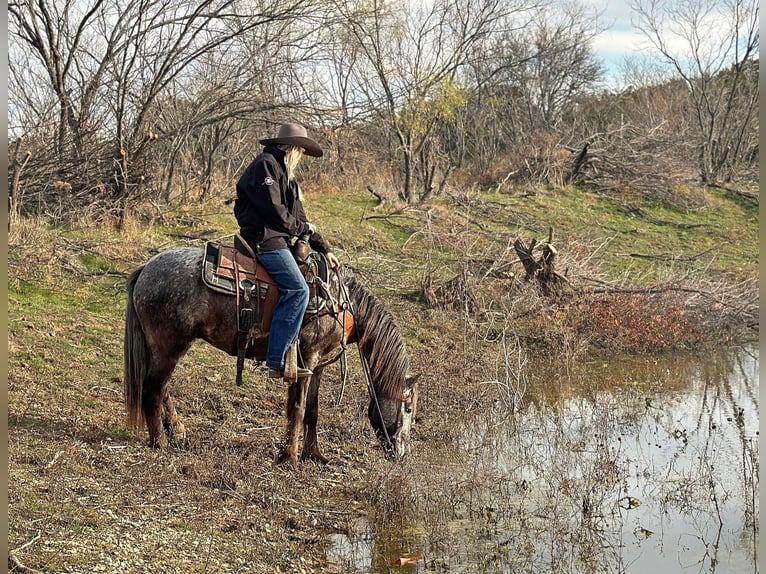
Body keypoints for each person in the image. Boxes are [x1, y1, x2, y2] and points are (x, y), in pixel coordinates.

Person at [234, 122, 340, 380]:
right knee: (298, 290)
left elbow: (300, 217)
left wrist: (324, 249)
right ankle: (276, 359)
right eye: (302, 151)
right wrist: (300, 226)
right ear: (293, 147)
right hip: (264, 239)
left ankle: (292, 351)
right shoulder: (266, 166)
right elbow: (275, 212)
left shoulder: (288, 179)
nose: (303, 157)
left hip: (278, 238)